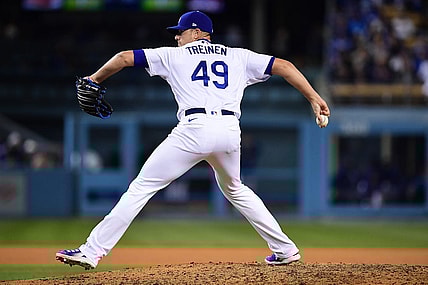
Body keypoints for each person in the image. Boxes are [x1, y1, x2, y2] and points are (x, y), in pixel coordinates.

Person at [56, 10, 331, 269]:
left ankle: (91, 252)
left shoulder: (173, 55)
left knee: (141, 187)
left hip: (195, 128)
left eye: (181, 31)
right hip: (229, 130)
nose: (177, 37)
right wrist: (315, 98)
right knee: (235, 188)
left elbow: (125, 57)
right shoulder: (238, 56)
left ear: (197, 32)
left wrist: (94, 78)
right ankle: (285, 250)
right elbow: (283, 65)